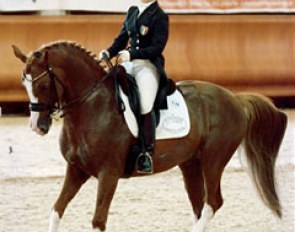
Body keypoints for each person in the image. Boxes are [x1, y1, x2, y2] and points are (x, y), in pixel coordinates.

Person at [99, 0, 169, 174]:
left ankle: (146, 152)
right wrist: (109, 52)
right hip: (128, 64)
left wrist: (132, 54)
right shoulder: (132, 10)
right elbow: (122, 38)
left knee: (145, 104)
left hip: (147, 65)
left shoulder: (160, 16)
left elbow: (157, 48)